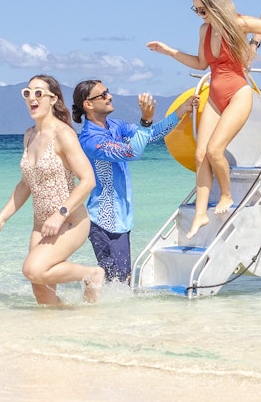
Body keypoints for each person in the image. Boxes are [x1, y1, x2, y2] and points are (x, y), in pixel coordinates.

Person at [147, 0, 261, 240]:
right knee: (201, 154)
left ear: (215, 5)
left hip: (238, 93)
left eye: (202, 10)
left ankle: (226, 194)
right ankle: (201, 213)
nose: (200, 15)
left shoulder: (238, 23)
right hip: (215, 96)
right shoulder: (205, 30)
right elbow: (201, 64)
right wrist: (170, 52)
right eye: (196, 11)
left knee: (215, 150)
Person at [0, 75, 104, 306]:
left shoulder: (64, 134)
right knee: (43, 296)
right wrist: (0, 220)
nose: (32, 98)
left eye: (39, 93)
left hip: (70, 222)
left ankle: (92, 274)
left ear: (53, 99)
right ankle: (64, 330)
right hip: (41, 225)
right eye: (27, 93)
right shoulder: (30, 135)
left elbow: (88, 180)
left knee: (33, 269)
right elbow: (26, 184)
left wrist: (60, 214)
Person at [72, 80, 199, 283]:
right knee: (118, 283)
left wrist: (180, 112)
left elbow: (148, 136)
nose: (109, 96)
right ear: (88, 104)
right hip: (105, 221)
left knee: (121, 281)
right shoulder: (90, 139)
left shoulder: (115, 126)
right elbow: (131, 152)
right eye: (102, 94)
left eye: (108, 92)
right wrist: (145, 121)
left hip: (121, 219)